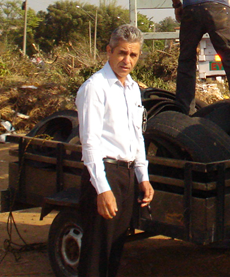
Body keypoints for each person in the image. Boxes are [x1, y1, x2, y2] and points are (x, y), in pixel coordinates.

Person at [76, 24, 154, 277]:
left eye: (133, 55)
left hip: (127, 176)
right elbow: (90, 142)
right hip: (105, 173)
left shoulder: (132, 89)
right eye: (122, 53)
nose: (127, 60)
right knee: (96, 252)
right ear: (109, 51)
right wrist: (102, 188)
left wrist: (143, 177)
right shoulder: (95, 87)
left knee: (115, 249)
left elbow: (136, 135)